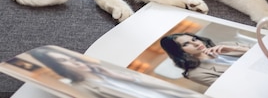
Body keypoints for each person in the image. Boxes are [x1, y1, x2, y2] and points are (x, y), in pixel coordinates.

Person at [29, 46, 202, 98]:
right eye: (64, 61)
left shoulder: (109, 70)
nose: (73, 61)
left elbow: (161, 89)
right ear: (60, 68)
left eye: (71, 58)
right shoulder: (80, 88)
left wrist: (125, 77)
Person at [160, 33, 250, 87]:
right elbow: (232, 87)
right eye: (186, 44)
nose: (196, 43)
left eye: (194, 39)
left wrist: (234, 49)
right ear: (179, 52)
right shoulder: (195, 74)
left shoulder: (225, 45)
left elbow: (262, 50)